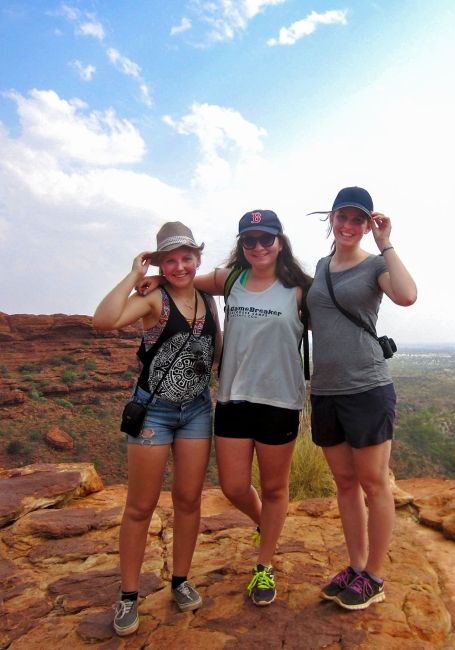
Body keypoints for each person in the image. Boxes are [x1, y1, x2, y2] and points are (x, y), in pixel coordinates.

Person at [138, 210, 311, 607]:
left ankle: (264, 565)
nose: (258, 247)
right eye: (249, 240)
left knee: (273, 488)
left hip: (279, 401)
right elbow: (181, 278)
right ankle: (265, 525)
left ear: (280, 242)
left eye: (266, 239)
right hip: (234, 397)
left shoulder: (300, 289)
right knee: (233, 486)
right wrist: (155, 277)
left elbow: (333, 321)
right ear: (241, 245)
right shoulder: (230, 279)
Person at [92, 221, 221, 636]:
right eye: (171, 259)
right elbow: (104, 320)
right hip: (155, 412)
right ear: (159, 263)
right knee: (141, 505)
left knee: (188, 499)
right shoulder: (153, 301)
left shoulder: (207, 300)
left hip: (198, 410)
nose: (180, 266)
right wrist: (135, 274)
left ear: (197, 259)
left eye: (186, 258)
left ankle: (180, 580)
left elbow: (218, 351)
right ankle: (128, 595)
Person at [306, 186, 417, 611]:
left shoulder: (374, 266)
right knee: (345, 483)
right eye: (343, 217)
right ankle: (354, 567)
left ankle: (375, 575)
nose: (349, 226)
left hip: (367, 387)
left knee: (374, 483)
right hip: (327, 390)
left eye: (359, 219)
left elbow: (406, 295)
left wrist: (386, 242)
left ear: (368, 223)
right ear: (331, 219)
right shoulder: (320, 266)